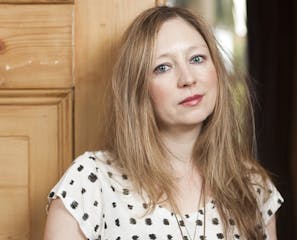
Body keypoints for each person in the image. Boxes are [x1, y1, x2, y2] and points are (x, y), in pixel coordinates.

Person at [44, 6, 283, 240]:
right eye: (163, 67)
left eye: (197, 58)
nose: (188, 78)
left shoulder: (252, 186)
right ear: (138, 89)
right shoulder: (91, 181)